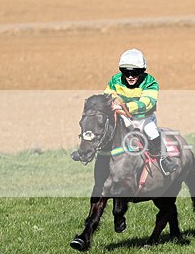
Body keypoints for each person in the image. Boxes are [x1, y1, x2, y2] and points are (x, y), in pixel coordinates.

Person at [73, 48, 178, 185]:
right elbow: (106, 97)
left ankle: (164, 159)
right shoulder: (115, 80)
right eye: (125, 72)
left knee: (152, 132)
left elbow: (147, 102)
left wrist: (125, 107)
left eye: (134, 72)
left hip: (143, 118)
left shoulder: (151, 82)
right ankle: (85, 152)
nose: (130, 76)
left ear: (142, 71)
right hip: (122, 116)